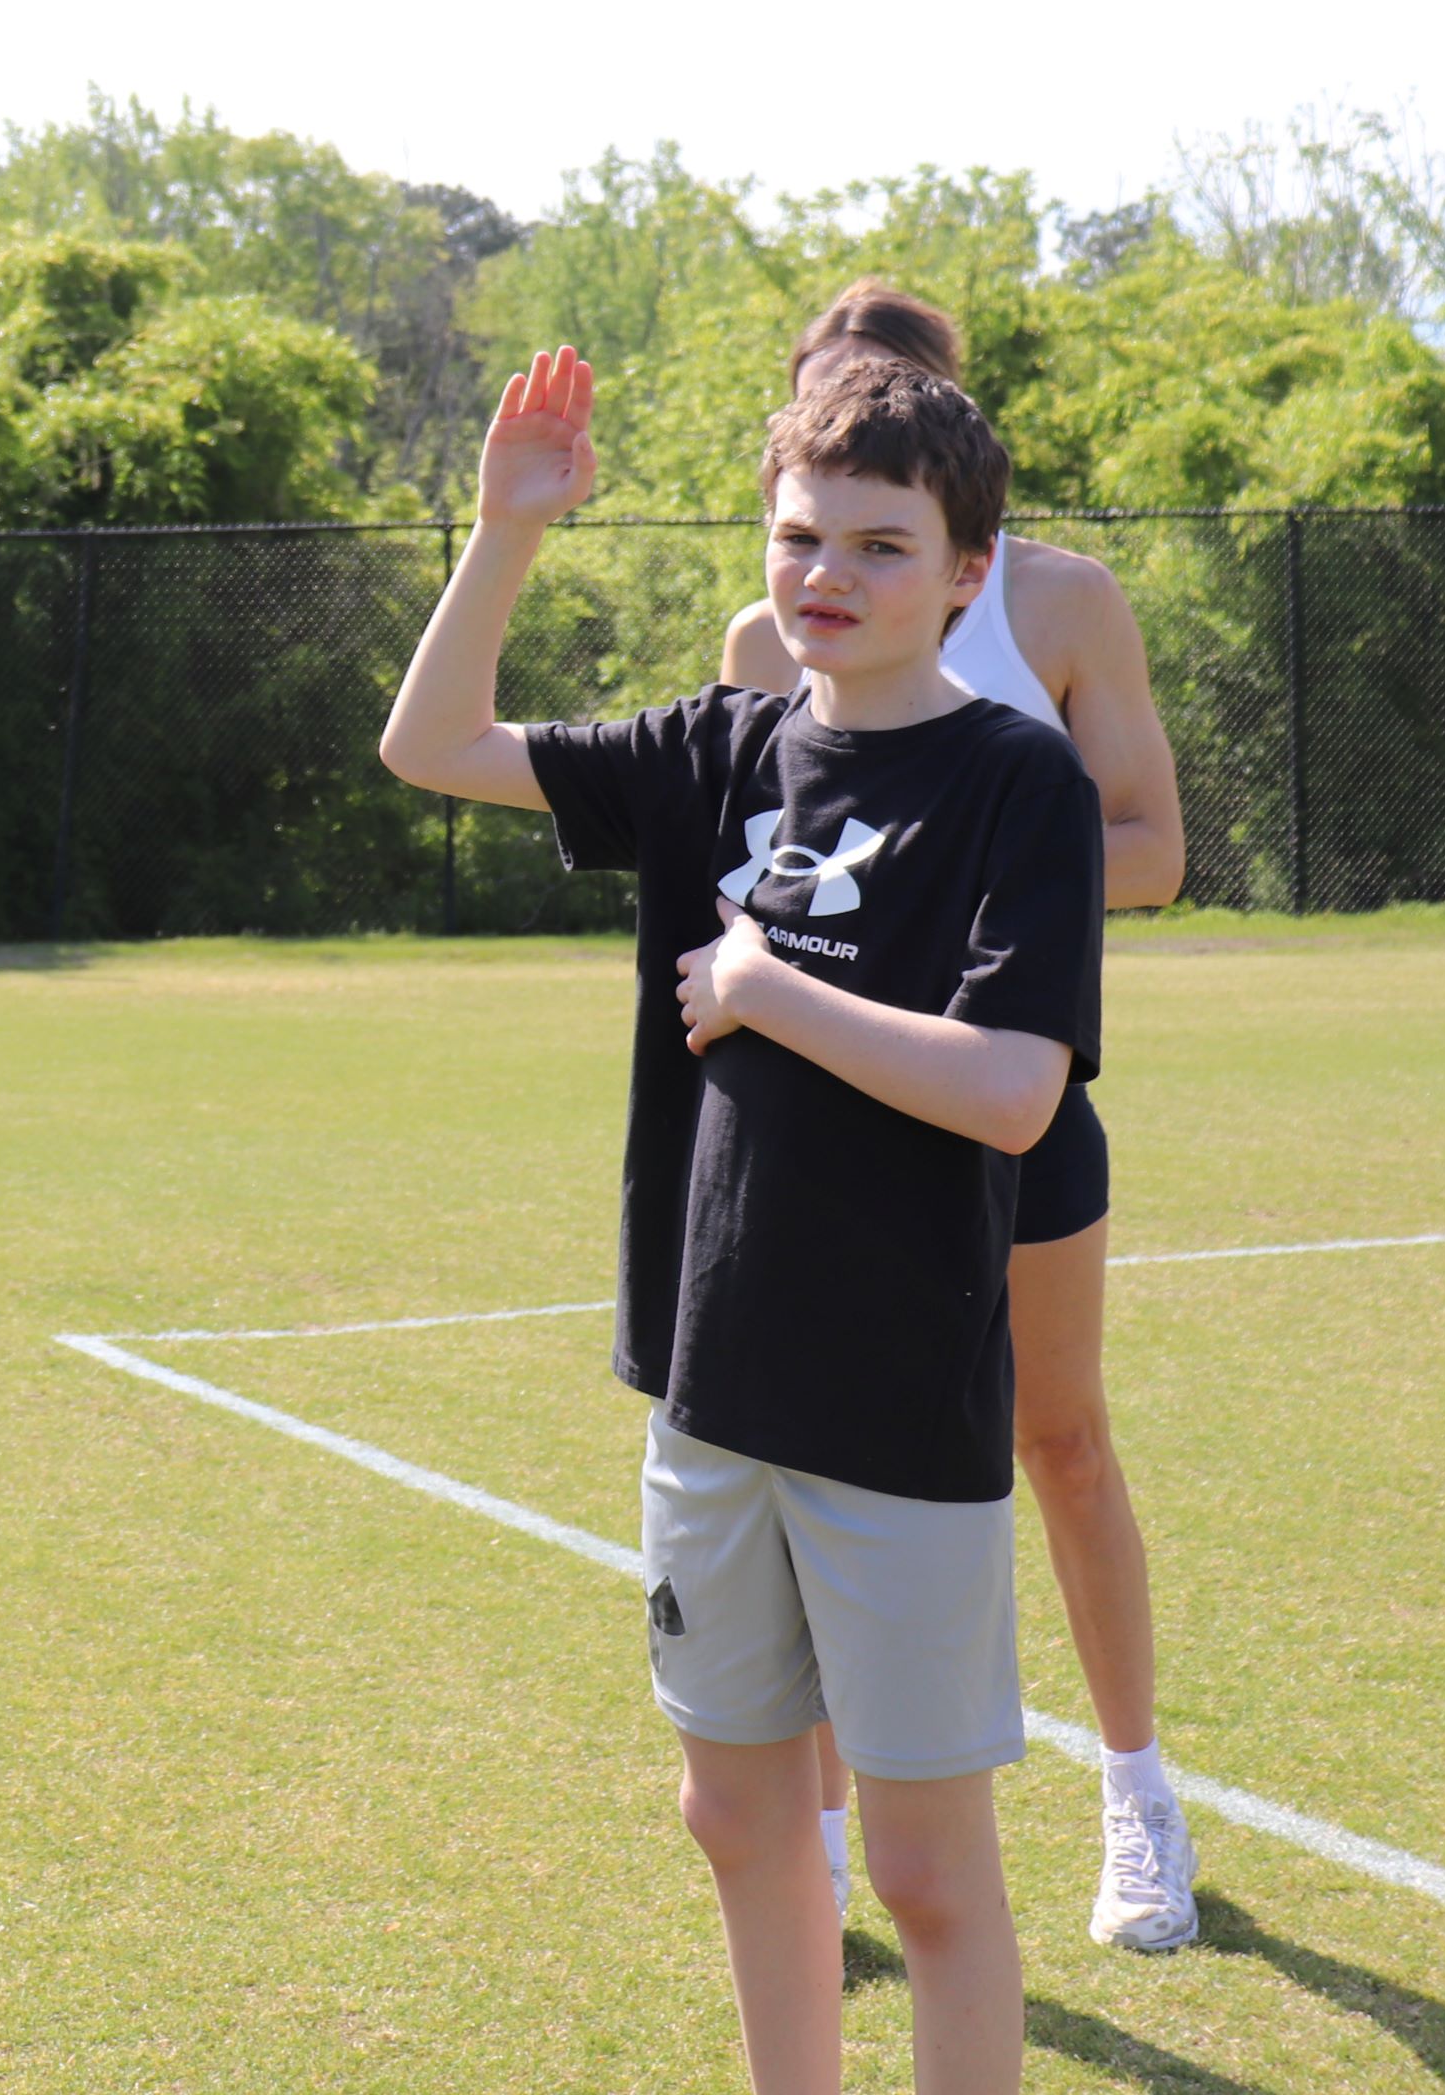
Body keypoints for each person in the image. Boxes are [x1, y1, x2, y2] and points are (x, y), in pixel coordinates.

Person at [381, 344, 1104, 2095]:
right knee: (733, 1813)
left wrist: (774, 990)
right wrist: (503, 533)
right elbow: (431, 742)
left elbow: (1014, 1089)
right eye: (801, 539)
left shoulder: (1017, 784)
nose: (828, 577)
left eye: (877, 544)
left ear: (964, 573)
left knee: (929, 1879)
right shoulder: (720, 750)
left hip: (896, 1418)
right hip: (713, 1397)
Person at [716, 280, 1197, 1955]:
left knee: (1057, 1443)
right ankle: (832, 1843)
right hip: (835, 1139)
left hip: (1013, 1114)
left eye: (883, 399)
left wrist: (981, 876)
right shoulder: (765, 641)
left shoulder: (1059, 601)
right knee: (823, 1472)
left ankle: (1139, 1799)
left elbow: (1152, 845)